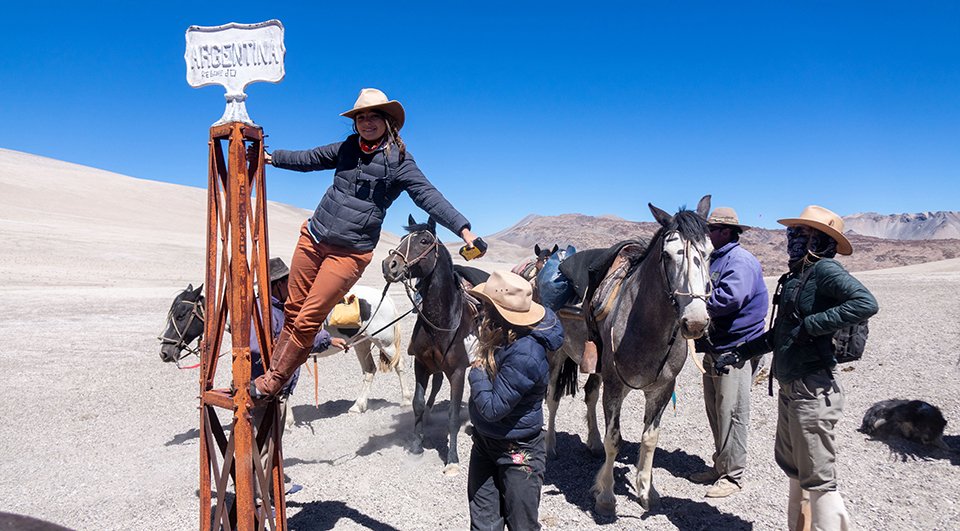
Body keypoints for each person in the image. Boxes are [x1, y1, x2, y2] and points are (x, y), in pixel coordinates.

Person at [252, 88, 482, 397]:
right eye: (361, 117)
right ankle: (272, 372)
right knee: (293, 310)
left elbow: (430, 196)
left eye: (374, 116)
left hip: (349, 252)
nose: (367, 122)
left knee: (308, 317)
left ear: (389, 122)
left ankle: (275, 380)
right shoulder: (348, 148)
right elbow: (310, 157)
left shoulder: (399, 161)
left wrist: (464, 230)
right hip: (314, 236)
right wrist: (272, 158)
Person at [715, 205, 879, 530]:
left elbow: (866, 302)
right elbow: (780, 334)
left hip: (813, 388)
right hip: (792, 388)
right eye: (793, 232)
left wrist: (814, 324)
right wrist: (741, 352)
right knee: (796, 471)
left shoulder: (824, 272)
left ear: (820, 240)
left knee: (819, 478)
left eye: (801, 234)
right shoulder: (796, 277)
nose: (792, 238)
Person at [467, 271, 564, 531]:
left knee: (522, 526)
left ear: (498, 312)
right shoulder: (502, 335)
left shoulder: (527, 353)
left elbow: (492, 407)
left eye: (486, 305)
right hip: (485, 442)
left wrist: (476, 371)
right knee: (483, 523)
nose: (481, 310)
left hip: (517, 451)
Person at [690, 207, 769, 498]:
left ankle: (733, 476)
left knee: (733, 412)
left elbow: (729, 299)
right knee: (716, 410)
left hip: (736, 349)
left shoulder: (740, 261)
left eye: (710, 230)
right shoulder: (716, 258)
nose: (707, 235)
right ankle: (719, 465)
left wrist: (695, 303)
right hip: (716, 347)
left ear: (724, 231)